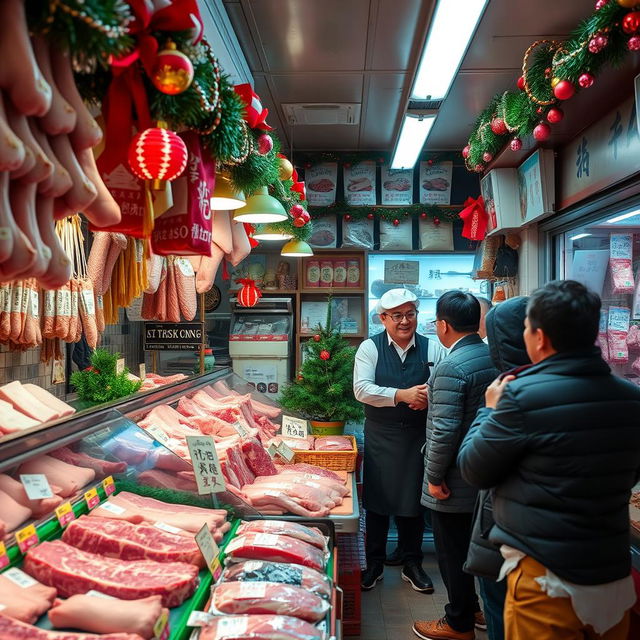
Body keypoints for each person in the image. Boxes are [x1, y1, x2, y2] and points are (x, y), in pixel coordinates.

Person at [458, 280, 640, 640]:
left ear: (539, 338)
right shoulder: (631, 397)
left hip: (545, 578)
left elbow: (474, 469)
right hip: (612, 573)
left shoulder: (519, 397)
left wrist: (490, 410)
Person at [413, 291, 498, 640]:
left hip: (454, 479)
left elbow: (444, 430)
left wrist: (433, 477)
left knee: (452, 552)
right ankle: (475, 610)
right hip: (482, 473)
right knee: (473, 548)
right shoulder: (493, 356)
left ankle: (458, 622)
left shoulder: (451, 365)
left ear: (443, 325)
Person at [354, 288, 445, 593]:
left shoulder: (433, 348)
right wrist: (400, 395)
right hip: (382, 435)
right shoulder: (370, 348)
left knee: (413, 502)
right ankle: (374, 563)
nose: (405, 321)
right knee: (377, 502)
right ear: (383, 318)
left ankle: (412, 562)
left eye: (411, 314)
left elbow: (444, 384)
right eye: (397, 316)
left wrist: (428, 397)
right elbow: (362, 389)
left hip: (419, 436)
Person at [465, 296, 530, 640]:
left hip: (519, 544)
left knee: (503, 612)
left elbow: (474, 467)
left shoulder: (512, 397)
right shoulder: (624, 393)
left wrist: (489, 411)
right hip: (602, 560)